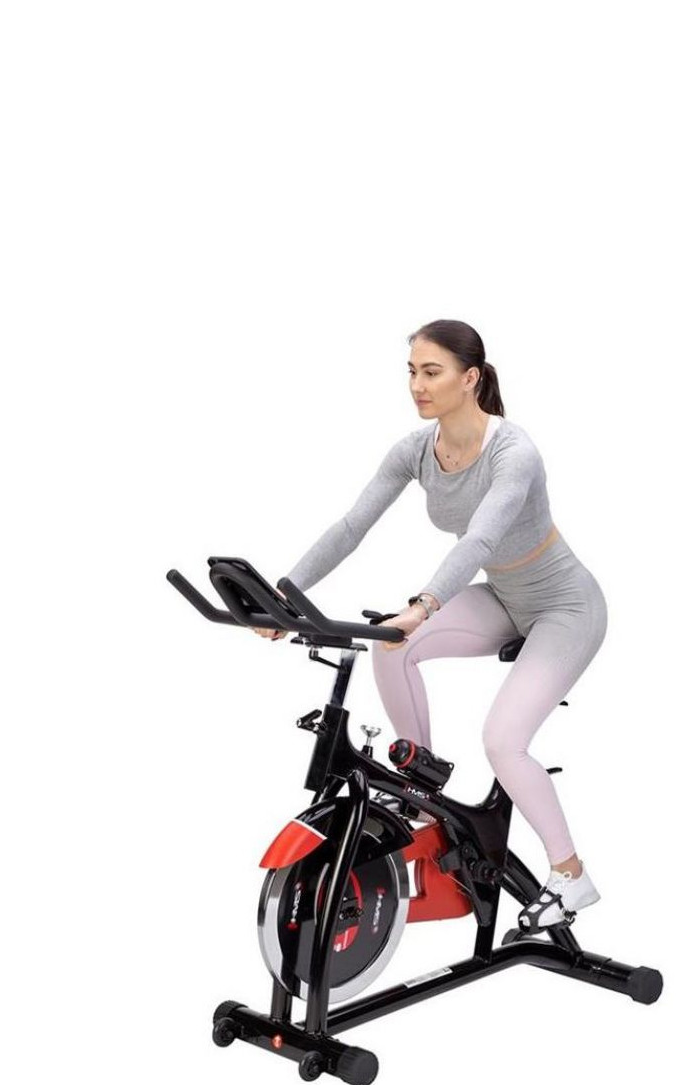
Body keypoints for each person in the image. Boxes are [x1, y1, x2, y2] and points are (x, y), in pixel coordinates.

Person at [258, 319, 608, 932]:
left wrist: (425, 604)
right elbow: (352, 527)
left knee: (502, 741)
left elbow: (480, 539)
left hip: (565, 606)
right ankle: (418, 788)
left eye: (432, 372)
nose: (417, 385)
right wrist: (284, 594)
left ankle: (571, 875)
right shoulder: (415, 451)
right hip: (503, 596)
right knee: (391, 647)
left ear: (470, 378)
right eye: (412, 372)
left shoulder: (514, 452)